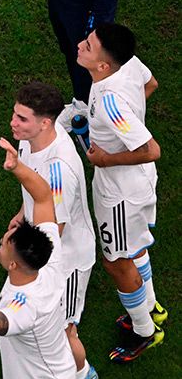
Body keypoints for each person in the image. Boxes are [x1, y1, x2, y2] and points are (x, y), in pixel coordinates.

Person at [0, 139, 78, 378]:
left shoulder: (27, 305)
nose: (1, 241)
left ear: (13, 265)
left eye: (2, 246)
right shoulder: (48, 256)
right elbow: (43, 198)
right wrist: (17, 167)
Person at [77, 23, 166, 363]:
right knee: (134, 246)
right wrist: (128, 121)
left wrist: (106, 157)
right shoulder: (127, 63)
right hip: (137, 184)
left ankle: (145, 331)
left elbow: (150, 149)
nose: (81, 45)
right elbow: (151, 83)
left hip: (120, 192)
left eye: (89, 45)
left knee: (116, 261)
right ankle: (150, 306)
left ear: (103, 66)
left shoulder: (111, 101)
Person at [7, 81, 98, 378]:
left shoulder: (58, 171)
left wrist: (8, 254)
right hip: (48, 247)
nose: (13, 123)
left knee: (64, 331)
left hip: (67, 262)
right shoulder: (31, 137)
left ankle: (83, 373)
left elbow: (50, 237)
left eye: (21, 118)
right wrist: (23, 214)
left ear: (46, 123)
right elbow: (36, 191)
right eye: (14, 114)